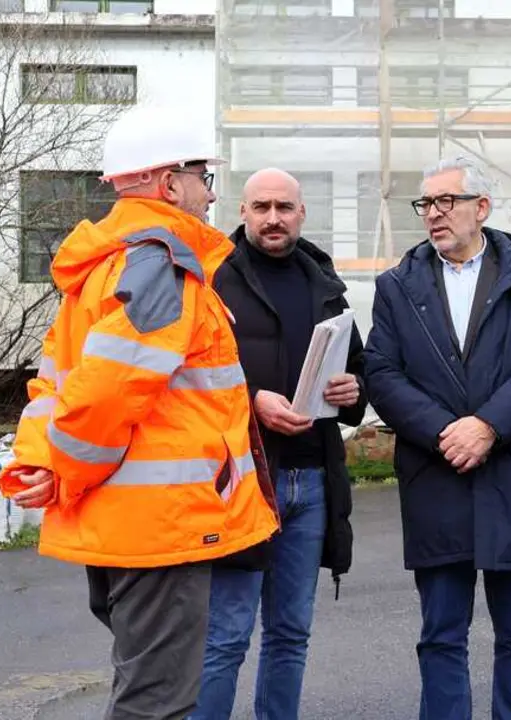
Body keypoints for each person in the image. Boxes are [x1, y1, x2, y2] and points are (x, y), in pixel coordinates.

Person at [0, 104, 279, 720]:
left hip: (126, 525)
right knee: (158, 703)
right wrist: (65, 472)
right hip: (160, 530)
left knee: (147, 689)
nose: (210, 194)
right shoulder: (162, 266)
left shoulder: (104, 267)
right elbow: (100, 394)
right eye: (204, 176)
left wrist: (46, 464)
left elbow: (56, 384)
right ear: (169, 181)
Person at [363, 154, 511, 720]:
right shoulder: (397, 287)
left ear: (481, 208)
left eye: (445, 201)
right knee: (440, 634)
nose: (433, 214)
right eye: (425, 204)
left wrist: (489, 426)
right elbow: (381, 371)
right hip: (439, 474)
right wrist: (443, 432)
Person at [193, 168, 367, 719]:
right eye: (261, 206)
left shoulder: (323, 279)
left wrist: (352, 389)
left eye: (284, 207)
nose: (273, 217)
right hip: (241, 479)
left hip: (312, 479)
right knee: (225, 636)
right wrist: (251, 403)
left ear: (302, 214)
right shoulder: (213, 276)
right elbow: (186, 377)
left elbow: (358, 367)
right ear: (242, 212)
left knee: (291, 634)